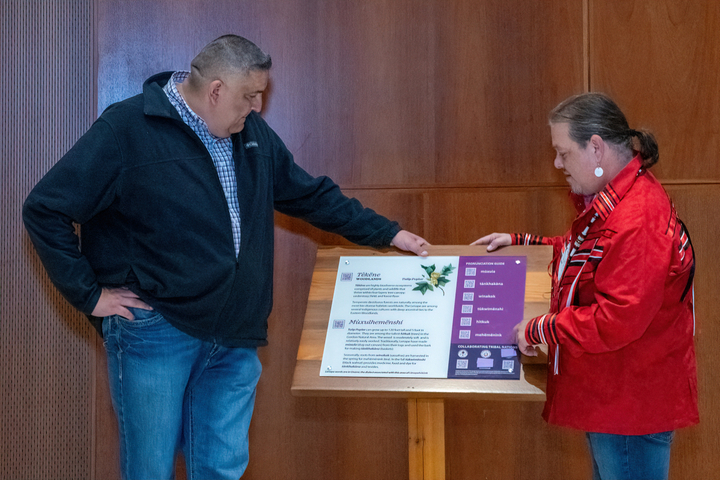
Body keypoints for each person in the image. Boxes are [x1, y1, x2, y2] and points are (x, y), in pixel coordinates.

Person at [23, 34, 429, 480]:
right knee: (150, 469)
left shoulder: (250, 133)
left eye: (261, 96)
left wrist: (388, 233)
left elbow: (308, 195)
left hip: (235, 334)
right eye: (250, 96)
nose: (256, 107)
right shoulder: (126, 129)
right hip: (155, 331)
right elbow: (46, 208)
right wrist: (91, 296)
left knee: (222, 469)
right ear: (216, 90)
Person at [472, 93, 698, 480]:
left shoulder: (637, 217)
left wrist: (539, 328)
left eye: (562, 152)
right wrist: (527, 244)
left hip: (630, 406)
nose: (557, 163)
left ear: (595, 147)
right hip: (618, 396)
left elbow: (615, 319)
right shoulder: (621, 199)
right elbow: (591, 256)